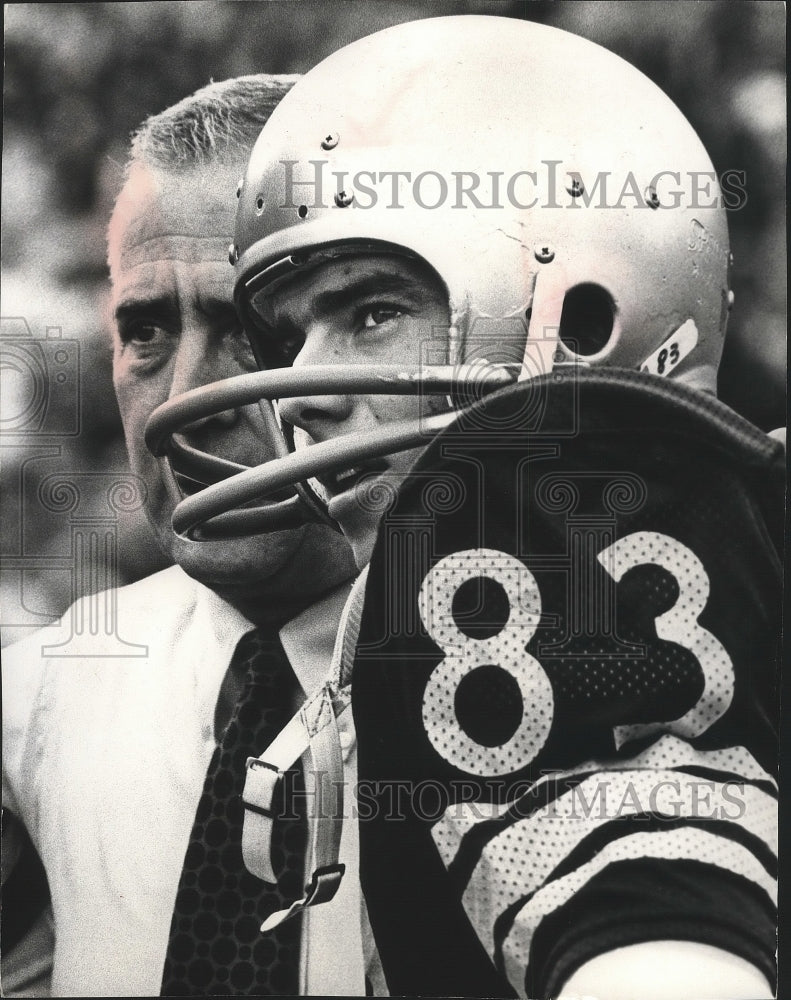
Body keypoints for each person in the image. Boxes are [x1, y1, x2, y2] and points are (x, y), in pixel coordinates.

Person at [154, 16, 782, 1000]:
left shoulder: (531, 519)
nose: (298, 390)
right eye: (291, 335)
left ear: (579, 314)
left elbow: (662, 961)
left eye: (370, 312)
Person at [2, 75, 364, 997]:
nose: (184, 403)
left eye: (252, 328)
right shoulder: (37, 699)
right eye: (147, 330)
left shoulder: (548, 694)